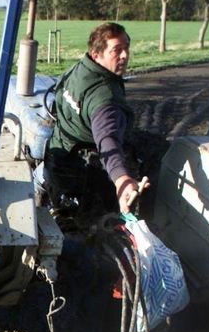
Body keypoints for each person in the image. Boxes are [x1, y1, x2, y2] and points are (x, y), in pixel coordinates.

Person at [47, 22, 151, 220]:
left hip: (59, 154)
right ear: (97, 54)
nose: (124, 56)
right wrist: (121, 179)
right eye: (117, 50)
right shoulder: (105, 98)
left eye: (126, 48)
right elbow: (107, 140)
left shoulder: (80, 69)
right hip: (82, 174)